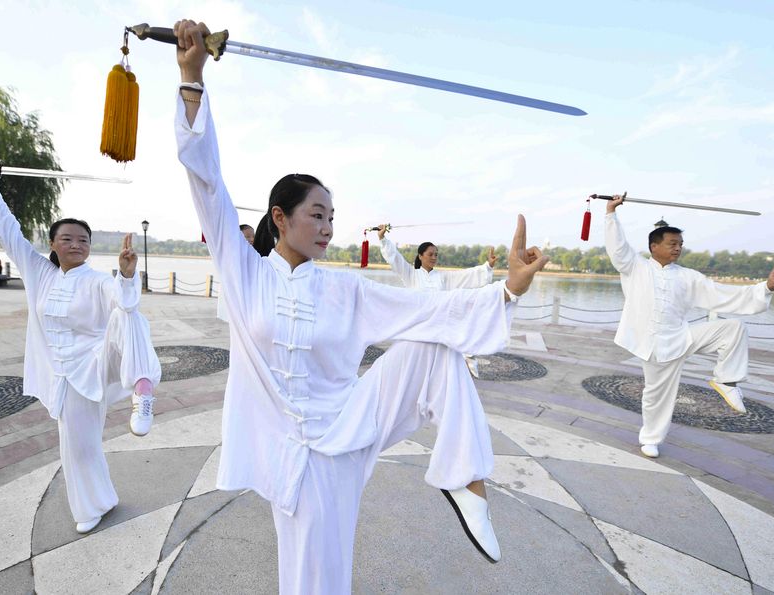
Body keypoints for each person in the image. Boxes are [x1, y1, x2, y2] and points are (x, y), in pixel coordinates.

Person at [173, 19, 548, 594]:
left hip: (348, 428)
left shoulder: (344, 289)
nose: (328, 227)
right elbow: (206, 183)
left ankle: (466, 480)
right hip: (288, 450)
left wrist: (508, 289)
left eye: (332, 217)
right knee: (313, 572)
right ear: (280, 218)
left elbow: (428, 312)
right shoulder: (244, 272)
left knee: (434, 352)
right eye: (316, 215)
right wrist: (191, 78)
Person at [0, 163, 162, 533]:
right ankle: (96, 503)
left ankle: (143, 387)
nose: (76, 244)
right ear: (53, 245)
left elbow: (124, 299)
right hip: (63, 374)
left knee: (129, 314)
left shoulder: (97, 281)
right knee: (78, 446)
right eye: (68, 239)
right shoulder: (39, 273)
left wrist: (125, 275)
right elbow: (9, 231)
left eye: (83, 240)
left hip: (98, 363)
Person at [605, 195, 774, 458]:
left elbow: (723, 294)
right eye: (672, 243)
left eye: (680, 244)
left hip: (681, 337)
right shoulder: (635, 267)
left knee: (733, 328)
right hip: (650, 344)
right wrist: (611, 212)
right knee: (656, 395)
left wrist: (766, 288)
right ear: (654, 246)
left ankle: (727, 380)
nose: (678, 248)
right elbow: (617, 247)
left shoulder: (688, 277)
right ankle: (651, 439)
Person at [377, 225, 498, 376]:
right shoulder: (411, 274)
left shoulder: (443, 277)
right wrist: (382, 238)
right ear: (420, 256)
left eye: (436, 254)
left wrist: (488, 266)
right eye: (430, 254)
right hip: (418, 330)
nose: (434, 257)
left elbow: (466, 276)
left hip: (439, 330)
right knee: (415, 370)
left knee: (439, 371)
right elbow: (395, 259)